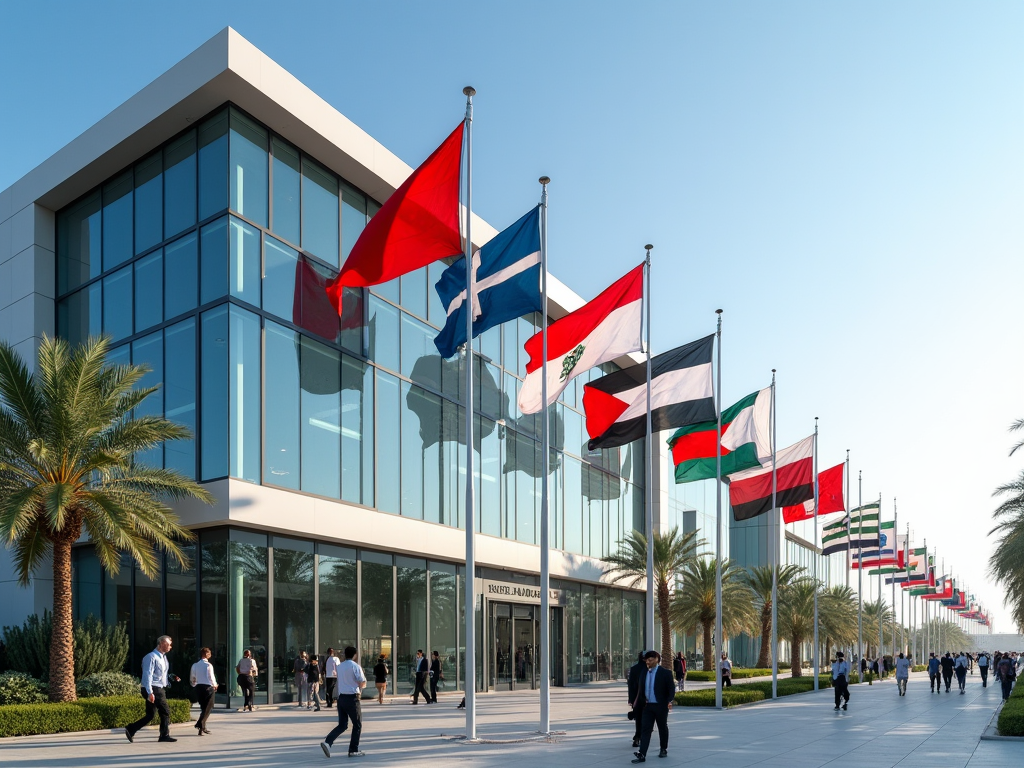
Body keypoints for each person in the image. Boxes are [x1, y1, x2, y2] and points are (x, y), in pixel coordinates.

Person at [125, 635, 180, 743]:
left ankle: (131, 729)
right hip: (153, 688)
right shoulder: (151, 657)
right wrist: (150, 692)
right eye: (168, 644)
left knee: (150, 715)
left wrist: (171, 677)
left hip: (157, 687)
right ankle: (164, 735)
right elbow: (147, 675)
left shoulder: (163, 657)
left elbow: (161, 674)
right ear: (161, 644)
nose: (170, 647)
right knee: (165, 711)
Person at [320, 646, 366, 758]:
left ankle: (328, 742)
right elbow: (362, 682)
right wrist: (361, 684)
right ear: (355, 654)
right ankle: (353, 750)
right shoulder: (355, 666)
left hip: (341, 698)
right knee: (357, 724)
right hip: (352, 698)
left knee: (342, 725)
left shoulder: (340, 666)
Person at [631, 651, 674, 764]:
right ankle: (642, 753)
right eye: (646, 660)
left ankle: (663, 749)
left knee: (662, 727)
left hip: (660, 706)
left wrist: (669, 700)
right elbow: (640, 689)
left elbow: (671, 689)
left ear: (656, 659)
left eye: (650, 660)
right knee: (645, 729)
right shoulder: (644, 673)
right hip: (647, 706)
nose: (648, 662)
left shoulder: (665, 673)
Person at [190, 646, 218, 736]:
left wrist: (194, 684)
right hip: (208, 688)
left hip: (199, 687)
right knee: (208, 707)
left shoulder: (195, 665)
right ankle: (200, 724)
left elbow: (192, 677)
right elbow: (211, 676)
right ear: (207, 655)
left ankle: (202, 727)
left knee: (203, 708)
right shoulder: (208, 665)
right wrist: (215, 685)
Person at [626, 652, 646, 748]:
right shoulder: (649, 669)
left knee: (638, 719)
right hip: (648, 699)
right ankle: (641, 736)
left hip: (637, 699)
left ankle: (638, 737)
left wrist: (631, 699)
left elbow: (630, 685)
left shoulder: (634, 669)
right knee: (647, 719)